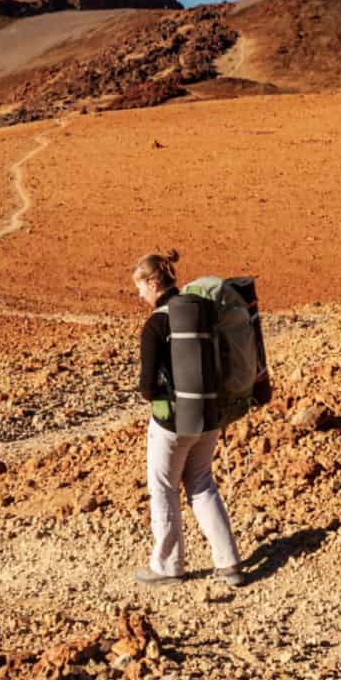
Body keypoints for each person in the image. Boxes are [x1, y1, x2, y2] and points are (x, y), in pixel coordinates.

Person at [131, 249, 247, 587]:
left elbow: (147, 385)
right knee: (201, 483)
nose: (139, 295)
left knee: (164, 487)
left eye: (140, 287)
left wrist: (152, 396)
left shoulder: (156, 324)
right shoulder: (203, 312)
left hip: (171, 424)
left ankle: (168, 566)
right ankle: (229, 563)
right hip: (210, 415)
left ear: (154, 282)